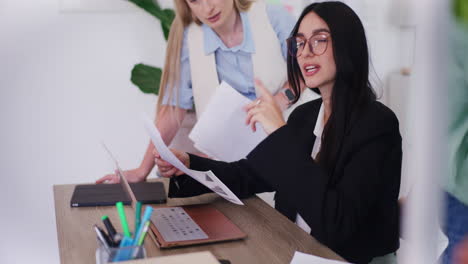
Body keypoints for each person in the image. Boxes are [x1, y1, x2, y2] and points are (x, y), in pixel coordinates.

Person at [154, 2, 402, 264]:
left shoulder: (377, 125)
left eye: (319, 41)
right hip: (294, 249)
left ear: (347, 45)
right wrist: (190, 166)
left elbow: (337, 224)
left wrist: (278, 133)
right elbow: (247, 177)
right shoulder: (305, 116)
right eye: (300, 43)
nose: (305, 53)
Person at [96, 0, 318, 184]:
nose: (207, 9)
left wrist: (280, 100)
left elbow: (308, 68)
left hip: (283, 140)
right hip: (226, 157)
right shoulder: (188, 36)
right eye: (195, 1)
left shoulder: (273, 17)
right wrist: (141, 171)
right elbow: (174, 108)